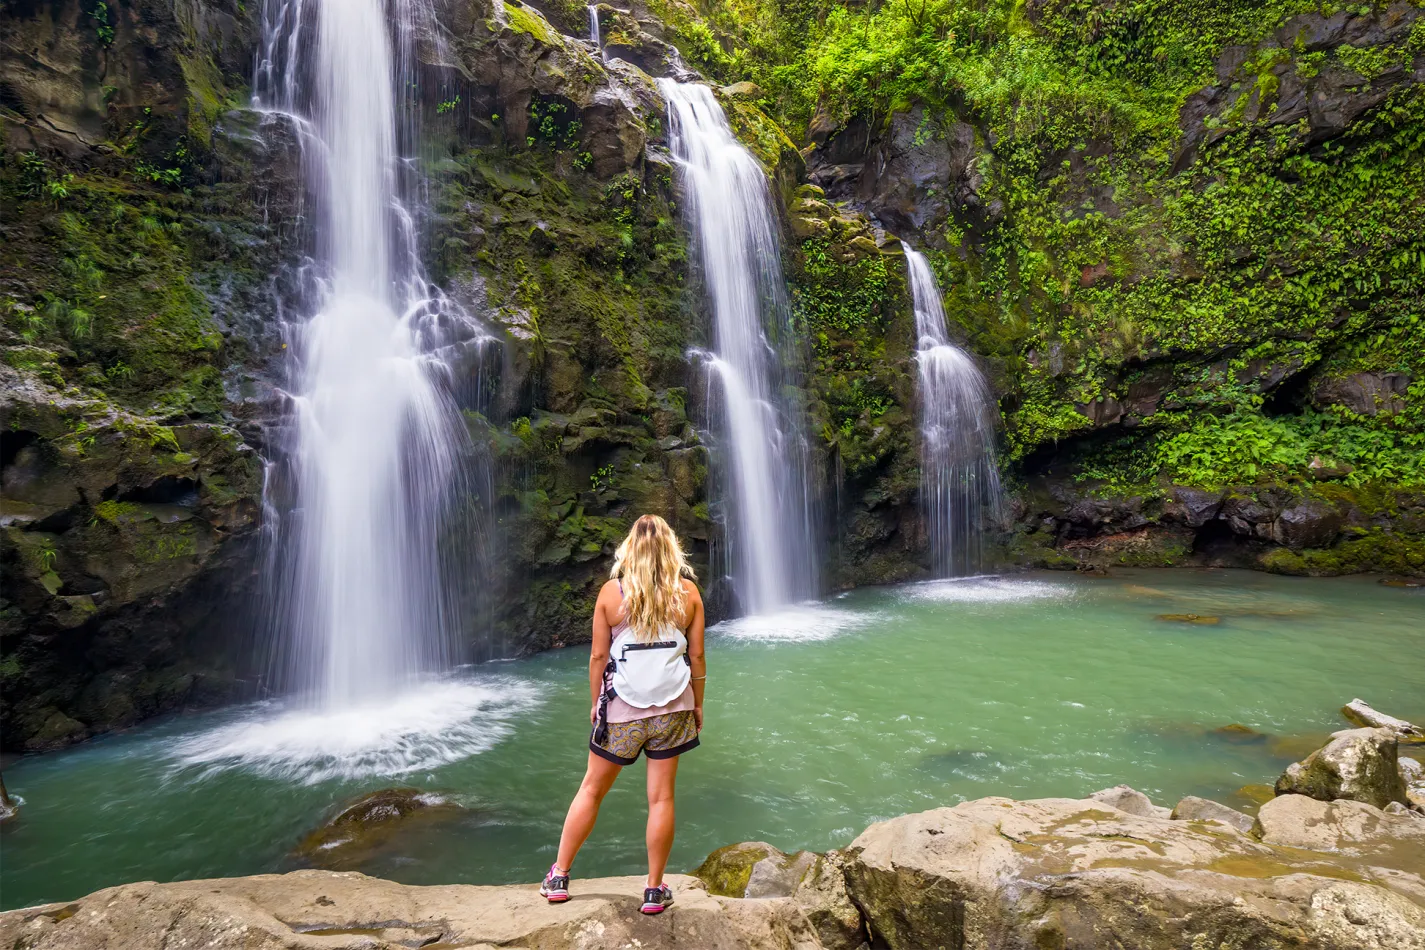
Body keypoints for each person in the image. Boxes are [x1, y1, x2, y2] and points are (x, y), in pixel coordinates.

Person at [539, 514, 706, 915]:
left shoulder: (611, 595)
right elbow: (696, 656)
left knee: (592, 789)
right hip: (674, 708)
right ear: (671, 549)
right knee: (661, 797)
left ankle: (559, 877)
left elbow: (598, 655)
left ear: (630, 549)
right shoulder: (688, 595)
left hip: (622, 709)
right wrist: (698, 703)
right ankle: (653, 890)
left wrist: (595, 700)